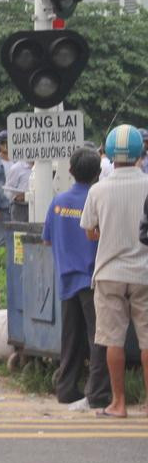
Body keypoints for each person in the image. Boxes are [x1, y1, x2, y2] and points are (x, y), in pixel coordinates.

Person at [83, 125, 148, 418]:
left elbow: (89, 232)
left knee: (113, 340)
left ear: (109, 154)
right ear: (141, 153)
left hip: (109, 272)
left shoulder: (98, 189)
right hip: (144, 272)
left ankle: (118, 403)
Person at [42, 148, 111, 411]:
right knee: (98, 338)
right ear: (97, 173)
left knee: (70, 338)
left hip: (66, 278)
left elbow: (47, 238)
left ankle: (66, 388)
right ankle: (98, 392)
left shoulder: (57, 201)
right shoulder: (96, 200)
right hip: (91, 279)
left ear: (70, 171)